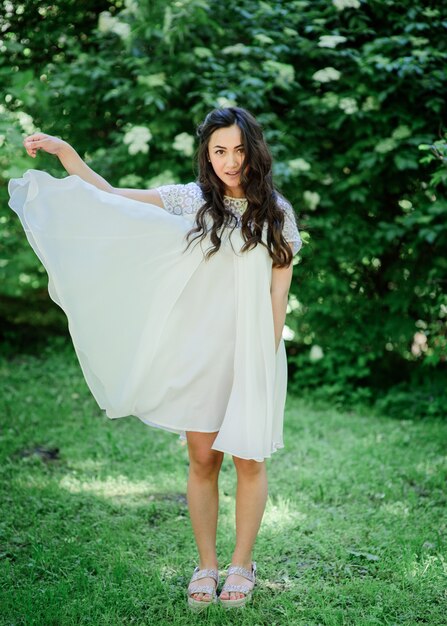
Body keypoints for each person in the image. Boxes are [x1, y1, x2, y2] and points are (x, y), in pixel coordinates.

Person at [9, 106, 302, 611]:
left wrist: (264, 355)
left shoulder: (275, 212)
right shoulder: (190, 201)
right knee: (203, 459)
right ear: (206, 156)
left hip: (254, 354)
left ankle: (241, 565)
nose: (230, 161)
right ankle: (206, 566)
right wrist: (68, 155)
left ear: (253, 152)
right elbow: (113, 197)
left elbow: (278, 295)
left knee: (249, 462)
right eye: (218, 151)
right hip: (199, 354)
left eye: (237, 150)